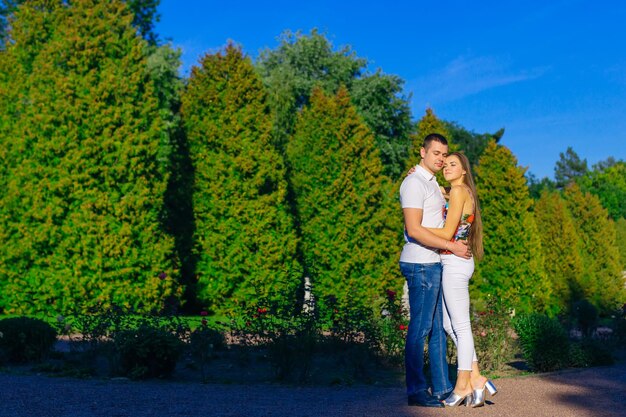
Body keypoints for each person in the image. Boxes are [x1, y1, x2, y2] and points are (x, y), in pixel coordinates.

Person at [399, 133, 471, 408]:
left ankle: (441, 388)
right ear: (422, 152)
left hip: (434, 262)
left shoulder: (431, 184)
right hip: (420, 263)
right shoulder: (414, 183)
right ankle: (416, 390)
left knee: (438, 330)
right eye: (435, 153)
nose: (440, 159)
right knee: (420, 328)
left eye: (444, 154)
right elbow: (414, 229)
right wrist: (451, 246)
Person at [424, 152, 497, 407]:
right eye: (445, 163)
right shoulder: (458, 191)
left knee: (461, 326)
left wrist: (415, 227)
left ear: (464, 170)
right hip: (455, 261)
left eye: (453, 164)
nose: (446, 167)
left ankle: (463, 384)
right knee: (448, 324)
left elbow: (447, 231)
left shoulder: (458, 192)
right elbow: (440, 193)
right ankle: (477, 378)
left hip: (454, 263)